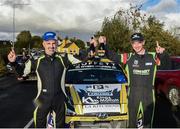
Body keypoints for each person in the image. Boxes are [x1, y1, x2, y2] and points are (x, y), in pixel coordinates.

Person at [7, 31, 80, 128]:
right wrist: (14, 63)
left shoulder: (64, 58)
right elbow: (21, 74)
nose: (51, 46)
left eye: (54, 43)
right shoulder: (36, 60)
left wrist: (98, 46)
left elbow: (84, 60)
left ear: (57, 44)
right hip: (41, 101)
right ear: (43, 44)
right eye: (48, 43)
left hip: (60, 101)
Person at [121, 32, 168, 128]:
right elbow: (113, 56)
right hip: (133, 95)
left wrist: (163, 54)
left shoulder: (153, 56)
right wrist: (103, 45)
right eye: (134, 43)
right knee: (132, 124)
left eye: (138, 42)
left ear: (143, 42)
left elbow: (167, 64)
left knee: (147, 124)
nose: (136, 45)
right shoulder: (129, 57)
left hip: (148, 95)